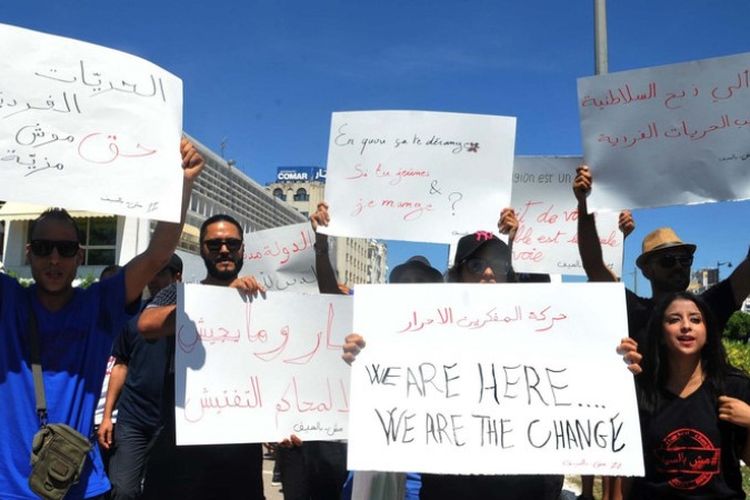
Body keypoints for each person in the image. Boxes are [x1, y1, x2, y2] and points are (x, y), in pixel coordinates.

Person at [0, 138, 203, 499]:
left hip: (82, 485)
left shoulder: (98, 305)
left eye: (65, 250)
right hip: (10, 486)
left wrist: (183, 183)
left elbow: (158, 254)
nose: (54, 260)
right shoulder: (9, 300)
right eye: (44, 248)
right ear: (28, 253)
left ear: (80, 257)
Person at [137, 213, 265, 500]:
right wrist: (214, 301)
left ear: (243, 249)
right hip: (183, 444)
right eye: (215, 244)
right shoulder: (180, 292)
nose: (224, 250)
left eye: (232, 244)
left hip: (240, 449)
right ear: (201, 250)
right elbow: (147, 324)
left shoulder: (264, 299)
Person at [574, 164, 750, 347]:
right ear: (646, 271)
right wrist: (585, 204)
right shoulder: (634, 311)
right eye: (668, 261)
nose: (678, 266)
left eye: (685, 260)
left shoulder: (708, 307)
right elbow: (594, 266)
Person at [624, 292, 750, 498]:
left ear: (708, 331)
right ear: (661, 335)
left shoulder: (734, 388)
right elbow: (626, 468)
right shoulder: (640, 390)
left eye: (695, 319)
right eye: (674, 319)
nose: (686, 326)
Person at [98, 254, 183, 499]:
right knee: (123, 490)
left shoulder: (191, 319)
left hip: (171, 425)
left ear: (176, 277)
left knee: (161, 489)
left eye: (161, 274)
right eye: (151, 274)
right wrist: (106, 417)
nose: (153, 281)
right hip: (132, 420)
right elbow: (121, 365)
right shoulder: (133, 318)